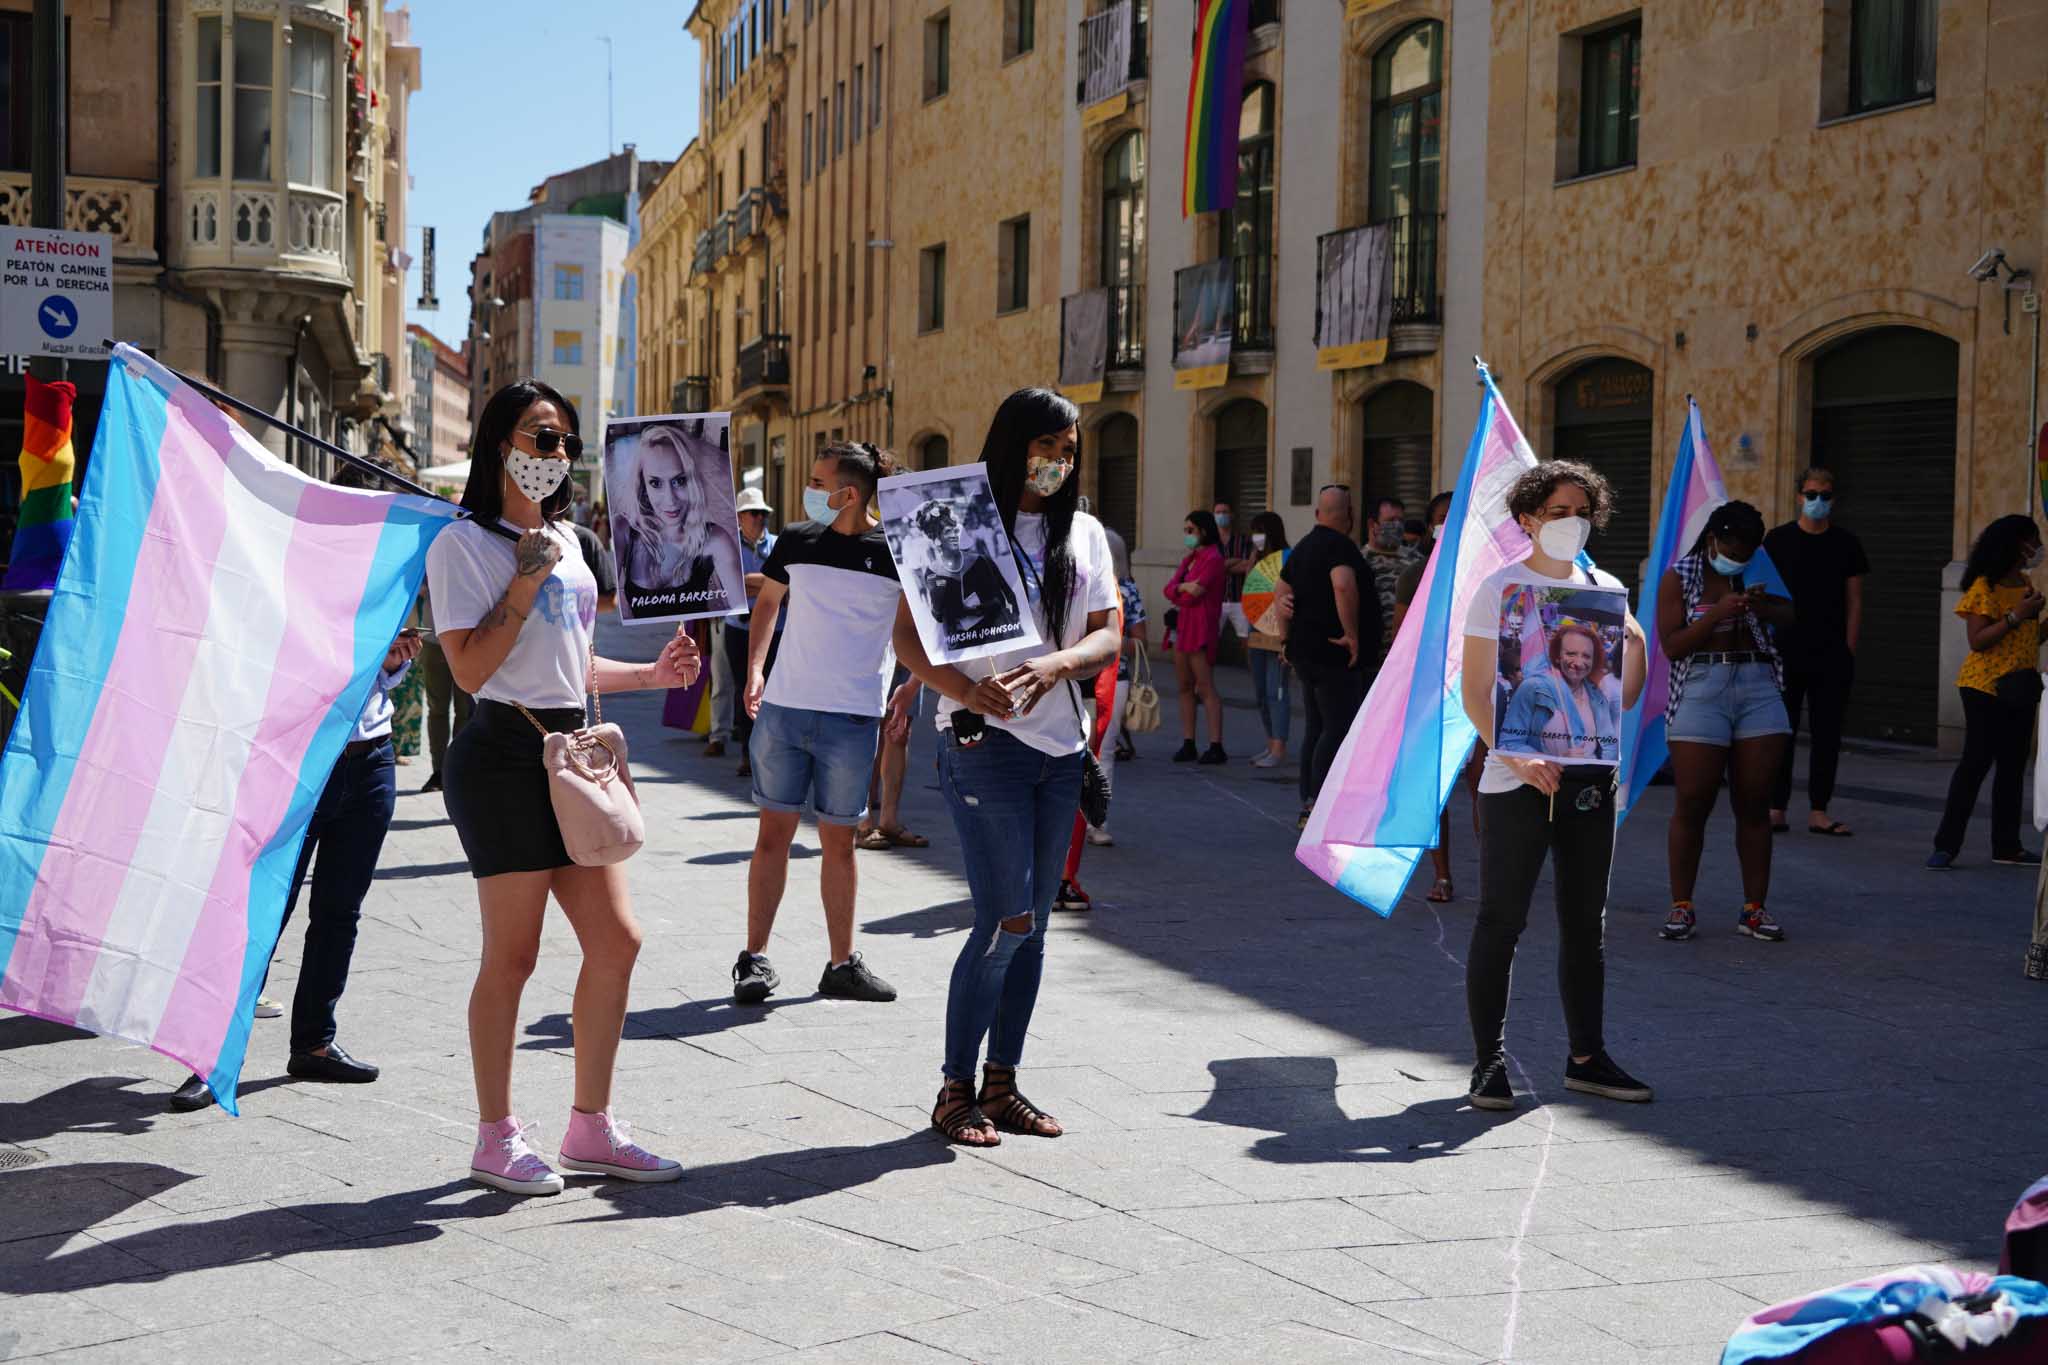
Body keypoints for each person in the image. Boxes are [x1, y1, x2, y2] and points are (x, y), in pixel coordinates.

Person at [429, 379, 701, 1195]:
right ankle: (495, 1135)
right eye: (539, 437)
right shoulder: (461, 544)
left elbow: (569, 661)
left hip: (572, 755)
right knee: (511, 957)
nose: (555, 454)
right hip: (502, 757)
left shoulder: (573, 540)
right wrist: (520, 579)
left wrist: (651, 673)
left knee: (617, 940)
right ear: (499, 444)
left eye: (565, 442)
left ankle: (590, 1126)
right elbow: (473, 668)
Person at [889, 388, 1120, 1146]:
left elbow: (1109, 634)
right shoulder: (953, 521)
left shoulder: (1083, 532)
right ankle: (953, 1089)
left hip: (1061, 751)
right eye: (1046, 446)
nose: (1058, 461)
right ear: (1013, 442)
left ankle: (1002, 1083)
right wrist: (964, 689)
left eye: (1069, 449)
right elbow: (909, 640)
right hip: (983, 747)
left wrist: (1057, 665)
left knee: (1037, 927)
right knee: (1004, 919)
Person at [1459, 460, 1651, 1112]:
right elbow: (1476, 693)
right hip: (1516, 782)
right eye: (1559, 510)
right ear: (1528, 520)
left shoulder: (1605, 588)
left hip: (1589, 781)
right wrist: (1515, 758)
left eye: (1582, 510)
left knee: (1584, 925)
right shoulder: (1501, 590)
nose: (1573, 522)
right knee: (1501, 919)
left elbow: (1621, 696)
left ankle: (1587, 1056)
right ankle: (1488, 1063)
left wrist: (1638, 640)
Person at [169, 626, 424, 1112]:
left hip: (371, 759)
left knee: (339, 910)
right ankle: (212, 1058)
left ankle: (314, 1043)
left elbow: (372, 678)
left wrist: (391, 663)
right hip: (296, 758)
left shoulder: (376, 565)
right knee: (264, 911)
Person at [734, 441, 911, 1006]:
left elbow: (918, 631)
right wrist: (755, 670)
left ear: (849, 493)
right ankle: (754, 960)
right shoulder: (797, 539)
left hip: (853, 719)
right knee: (772, 838)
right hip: (784, 709)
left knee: (840, 845)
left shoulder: (896, 551)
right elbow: (768, 605)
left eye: (818, 480)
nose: (809, 490)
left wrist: (911, 688)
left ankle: (840, 964)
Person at [1657, 501, 1796, 944]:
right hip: (1701, 686)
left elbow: (1792, 617)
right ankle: (1682, 906)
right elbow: (1673, 646)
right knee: (1694, 798)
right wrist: (1718, 613)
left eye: (1748, 551)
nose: (1739, 558)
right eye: (1732, 549)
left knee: (1755, 802)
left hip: (1758, 684)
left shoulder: (1760, 566)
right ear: (1714, 538)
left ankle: (1754, 909)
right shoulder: (1681, 574)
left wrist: (1761, 606)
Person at [1928, 515, 2045, 871]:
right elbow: (1978, 641)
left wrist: (2037, 620)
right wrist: (2017, 614)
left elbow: (2027, 640)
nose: (2036, 549)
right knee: (1975, 764)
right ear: (2014, 545)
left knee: (2011, 769)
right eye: (2031, 541)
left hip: (2020, 687)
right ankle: (1946, 846)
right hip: (1985, 688)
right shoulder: (1984, 587)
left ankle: (2007, 846)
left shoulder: (2024, 583)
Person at [1765, 468, 1868, 836]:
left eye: (1824, 495)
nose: (1817, 502)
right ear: (1798, 497)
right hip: (1785, 650)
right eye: (1811, 494)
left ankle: (1819, 811)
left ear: (1834, 500)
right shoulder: (1777, 540)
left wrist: (1848, 647)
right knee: (1782, 731)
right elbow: (1763, 593)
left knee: (1828, 733)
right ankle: (1776, 808)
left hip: (1830, 653)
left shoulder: (1846, 544)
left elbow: (1855, 600)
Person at [1278, 486, 1378, 829]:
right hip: (1335, 654)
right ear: (1348, 514)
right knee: (1338, 727)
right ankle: (1319, 804)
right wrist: (1351, 633)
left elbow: (1280, 592)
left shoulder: (1303, 547)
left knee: (1316, 727)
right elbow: (1343, 584)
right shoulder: (1340, 546)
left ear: (1319, 513)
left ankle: (1309, 800)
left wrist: (1284, 638)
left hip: (1306, 653)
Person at [1394, 493, 1470, 903]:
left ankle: (1499, 874)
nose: (1449, 525)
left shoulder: (1491, 574)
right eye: (1442, 518)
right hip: (1433, 690)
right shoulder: (1417, 575)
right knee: (1434, 788)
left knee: (1484, 790)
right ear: (1430, 527)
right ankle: (1442, 875)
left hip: (1481, 690)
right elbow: (1401, 641)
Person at [614, 421, 744, 613]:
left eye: (679, 481)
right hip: (641, 643)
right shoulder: (624, 530)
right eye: (655, 483)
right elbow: (602, 598)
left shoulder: (716, 539)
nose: (670, 500)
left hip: (692, 640)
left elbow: (739, 608)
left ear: (693, 482)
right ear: (642, 484)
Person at [1499, 621, 1622, 760]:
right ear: (1557, 656)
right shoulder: (1532, 688)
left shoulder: (1597, 695)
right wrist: (1555, 760)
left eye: (1586, 656)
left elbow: (1609, 744)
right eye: (1571, 654)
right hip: (1547, 779)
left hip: (1591, 779)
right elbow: (1509, 743)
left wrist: (1603, 771)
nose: (1579, 662)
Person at [1164, 510, 1228, 764]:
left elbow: (1196, 594)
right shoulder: (1191, 558)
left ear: (1203, 530)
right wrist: (1182, 587)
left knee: (1204, 686)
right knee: (1184, 686)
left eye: (1190, 530)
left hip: (1201, 626)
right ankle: (1188, 741)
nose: (1187, 535)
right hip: (1183, 625)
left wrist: (1181, 590)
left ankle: (1215, 744)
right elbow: (1169, 589)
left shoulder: (1213, 558)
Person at [912, 498, 1022, 645]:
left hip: (997, 637)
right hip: (965, 644)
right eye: (947, 532)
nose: (954, 535)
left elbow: (1007, 594)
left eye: (955, 530)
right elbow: (939, 616)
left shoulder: (981, 561)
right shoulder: (932, 573)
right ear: (937, 539)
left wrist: (1014, 622)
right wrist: (940, 604)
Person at [728, 487, 780, 778]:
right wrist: (771, 586)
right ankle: (747, 754)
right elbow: (729, 583)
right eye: (754, 513)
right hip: (739, 629)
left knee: (772, 691)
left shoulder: (778, 545)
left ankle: (769, 752)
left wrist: (751, 585)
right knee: (743, 689)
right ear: (740, 517)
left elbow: (789, 585)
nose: (760, 518)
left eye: (763, 513)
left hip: (777, 630)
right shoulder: (728, 547)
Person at [417, 577, 474, 796]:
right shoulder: (432, 548)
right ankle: (439, 771)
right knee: (438, 709)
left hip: (468, 640)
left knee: (465, 711)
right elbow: (419, 588)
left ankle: (456, 769)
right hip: (435, 639)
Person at [1244, 510, 1292, 769]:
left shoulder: (1289, 559)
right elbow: (1250, 595)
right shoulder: (1257, 560)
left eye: (1259, 531)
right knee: (1261, 692)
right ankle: (1270, 741)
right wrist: (1252, 563)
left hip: (1278, 632)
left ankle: (1279, 748)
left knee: (1278, 691)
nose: (1255, 537)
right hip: (1257, 630)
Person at [1365, 496, 1423, 665]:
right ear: (1372, 524)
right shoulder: (1359, 561)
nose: (1397, 525)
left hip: (1408, 657)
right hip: (1372, 658)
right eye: (1390, 520)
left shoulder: (1416, 561)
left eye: (1400, 520)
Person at [1214, 499, 1255, 639]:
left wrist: (1222, 565)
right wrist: (1235, 561)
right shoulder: (1211, 542)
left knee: (1247, 640)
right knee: (1211, 640)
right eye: (1218, 512)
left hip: (1240, 600)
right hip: (1216, 600)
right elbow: (1210, 568)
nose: (1221, 515)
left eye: (1224, 512)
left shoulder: (1243, 540)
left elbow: (1247, 565)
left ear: (1232, 515)